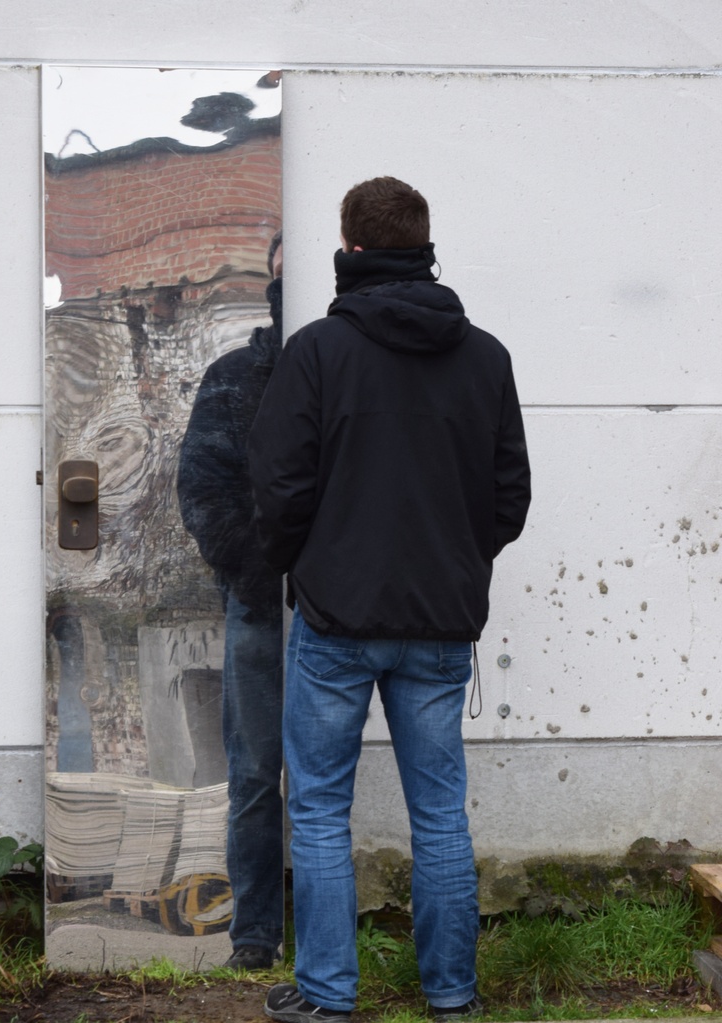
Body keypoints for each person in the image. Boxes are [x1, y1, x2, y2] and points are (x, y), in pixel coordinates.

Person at [248, 178, 531, 1022]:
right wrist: (451, 560)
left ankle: (328, 997)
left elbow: (276, 486)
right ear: (424, 243)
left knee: (323, 810)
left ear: (351, 248)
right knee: (440, 812)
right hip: (441, 625)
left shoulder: (317, 353)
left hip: (336, 619)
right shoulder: (485, 357)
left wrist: (309, 564)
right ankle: (452, 995)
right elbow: (508, 497)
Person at [177, 230, 285, 970]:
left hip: (342, 606)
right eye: (280, 273)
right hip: (261, 604)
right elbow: (203, 486)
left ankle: (322, 934)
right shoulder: (236, 376)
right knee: (253, 774)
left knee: (320, 777)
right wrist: (252, 572)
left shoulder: (346, 372)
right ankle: (254, 937)